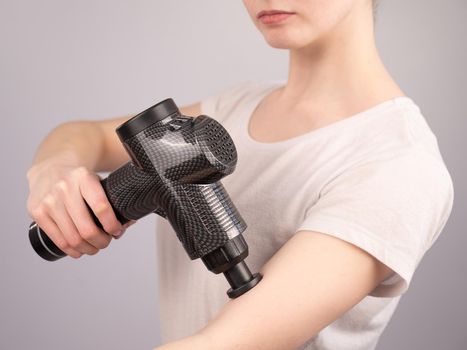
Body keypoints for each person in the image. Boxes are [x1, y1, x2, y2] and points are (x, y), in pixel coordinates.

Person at [26, 1, 454, 349]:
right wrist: (53, 169)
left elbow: (224, 344)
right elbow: (79, 134)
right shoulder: (234, 107)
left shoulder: (398, 165)